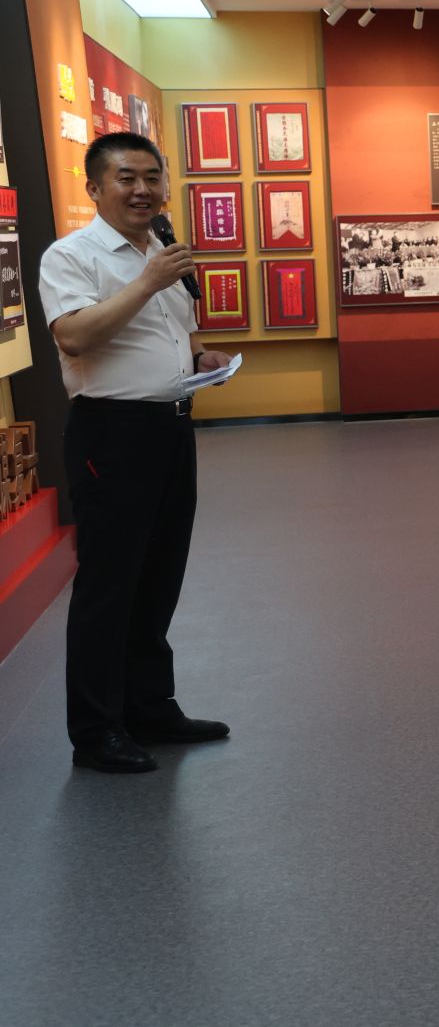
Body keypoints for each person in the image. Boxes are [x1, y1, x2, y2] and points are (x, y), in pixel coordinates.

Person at [37, 133, 235, 774]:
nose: (143, 189)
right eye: (126, 178)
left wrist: (199, 356)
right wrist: (148, 282)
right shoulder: (73, 256)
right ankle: (96, 730)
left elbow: (177, 332)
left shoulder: (163, 251)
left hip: (170, 428)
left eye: (153, 177)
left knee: (158, 575)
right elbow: (74, 336)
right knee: (109, 584)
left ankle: (150, 707)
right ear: (95, 188)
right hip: (111, 436)